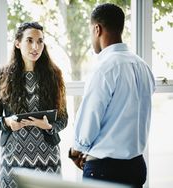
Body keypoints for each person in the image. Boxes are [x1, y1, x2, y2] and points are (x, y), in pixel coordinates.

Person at [68, 3, 155, 188]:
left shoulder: (104, 68)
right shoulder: (143, 67)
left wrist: (76, 150)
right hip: (136, 167)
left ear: (97, 29)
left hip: (105, 170)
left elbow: (90, 119)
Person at [0, 22, 68, 188]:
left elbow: (63, 119)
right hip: (13, 160)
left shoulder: (54, 75)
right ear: (18, 43)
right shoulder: (4, 75)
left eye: (40, 41)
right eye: (29, 40)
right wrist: (7, 122)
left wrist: (48, 126)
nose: (35, 46)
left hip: (48, 161)